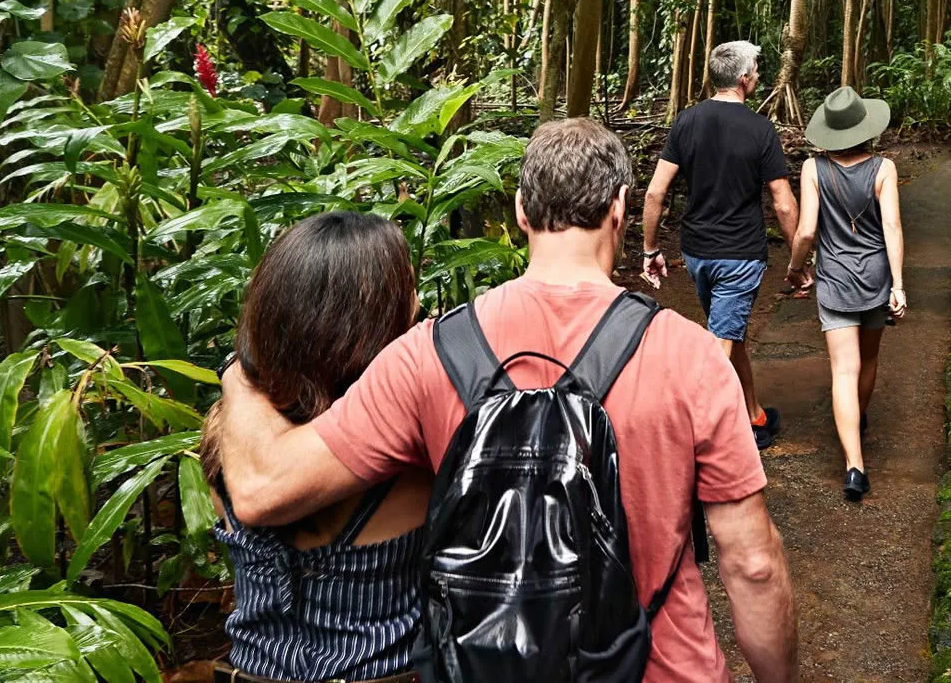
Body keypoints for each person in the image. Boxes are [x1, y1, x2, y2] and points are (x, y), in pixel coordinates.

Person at [209, 119, 800, 683]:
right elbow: (752, 563)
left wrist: (240, 375)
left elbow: (270, 489)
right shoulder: (694, 356)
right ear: (621, 208)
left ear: (521, 211)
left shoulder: (428, 354)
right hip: (660, 662)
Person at [199, 211, 430, 682]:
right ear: (368, 328)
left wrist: (240, 371)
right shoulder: (411, 450)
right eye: (407, 295)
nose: (419, 304)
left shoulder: (229, 431)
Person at [641, 40, 800, 450]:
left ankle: (754, 415)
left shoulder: (686, 121)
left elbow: (656, 193)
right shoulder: (761, 129)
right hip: (739, 255)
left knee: (729, 334)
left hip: (697, 254)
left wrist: (650, 249)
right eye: (757, 72)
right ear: (744, 79)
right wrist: (801, 260)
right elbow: (783, 203)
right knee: (718, 348)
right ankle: (687, 440)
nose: (759, 77)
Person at [786, 87, 906, 502]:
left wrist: (795, 267)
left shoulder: (813, 169)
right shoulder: (884, 168)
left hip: (835, 279)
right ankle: (858, 419)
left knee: (843, 370)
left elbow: (805, 231)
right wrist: (899, 284)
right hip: (875, 279)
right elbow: (891, 227)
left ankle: (855, 466)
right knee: (869, 358)